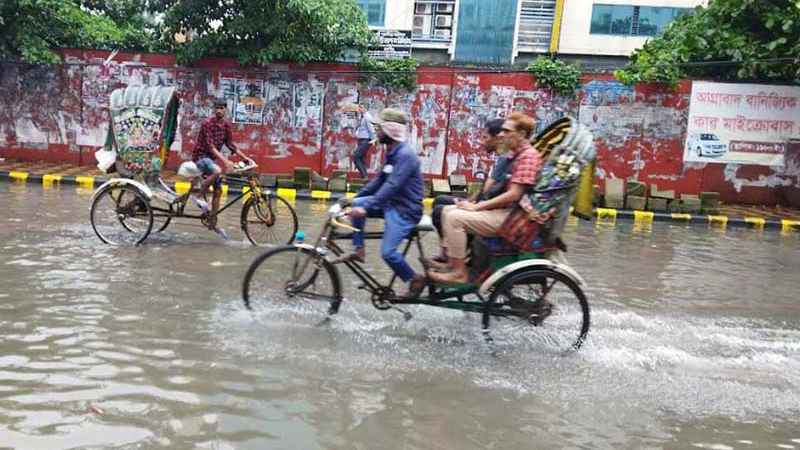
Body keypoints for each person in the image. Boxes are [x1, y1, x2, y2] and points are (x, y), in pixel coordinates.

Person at [429, 112, 543, 285]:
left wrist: (478, 207)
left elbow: (514, 194)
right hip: (504, 212)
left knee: (454, 218)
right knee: (446, 210)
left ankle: (459, 273)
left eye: (507, 131)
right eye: (501, 130)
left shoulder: (528, 156)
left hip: (513, 217)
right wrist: (474, 204)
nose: (502, 135)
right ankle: (453, 264)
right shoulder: (514, 154)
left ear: (521, 134)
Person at [342, 108, 427, 298]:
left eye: (379, 129)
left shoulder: (405, 155)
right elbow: (379, 182)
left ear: (390, 130)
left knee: (388, 253)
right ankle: (359, 250)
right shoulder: (392, 152)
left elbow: (392, 186)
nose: (376, 133)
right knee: (357, 204)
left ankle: (414, 278)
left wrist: (367, 208)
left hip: (405, 211)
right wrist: (354, 199)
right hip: (390, 205)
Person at [429, 118, 507, 263]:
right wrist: (468, 201)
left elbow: (489, 190)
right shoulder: (500, 158)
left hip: (490, 209)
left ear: (497, 138)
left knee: (441, 209)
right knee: (440, 202)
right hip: (483, 204)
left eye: (485, 137)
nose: (482, 142)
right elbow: (484, 189)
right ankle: (448, 250)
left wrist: (473, 206)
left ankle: (453, 253)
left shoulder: (505, 159)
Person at [192, 100, 253, 232]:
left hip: (212, 159)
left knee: (218, 190)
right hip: (201, 157)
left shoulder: (226, 125)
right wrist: (226, 161)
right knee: (217, 170)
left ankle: (212, 219)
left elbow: (231, 145)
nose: (219, 110)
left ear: (225, 110)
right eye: (217, 108)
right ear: (214, 109)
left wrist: (246, 158)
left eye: (221, 108)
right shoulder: (207, 123)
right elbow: (210, 146)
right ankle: (200, 193)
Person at [352, 105, 376, 178]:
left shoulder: (367, 117)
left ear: (365, 108)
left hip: (366, 140)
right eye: (359, 107)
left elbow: (371, 129)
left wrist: (374, 139)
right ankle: (364, 177)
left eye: (361, 107)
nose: (359, 109)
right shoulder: (362, 117)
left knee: (356, 157)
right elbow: (361, 128)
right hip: (361, 140)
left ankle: (364, 176)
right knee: (361, 158)